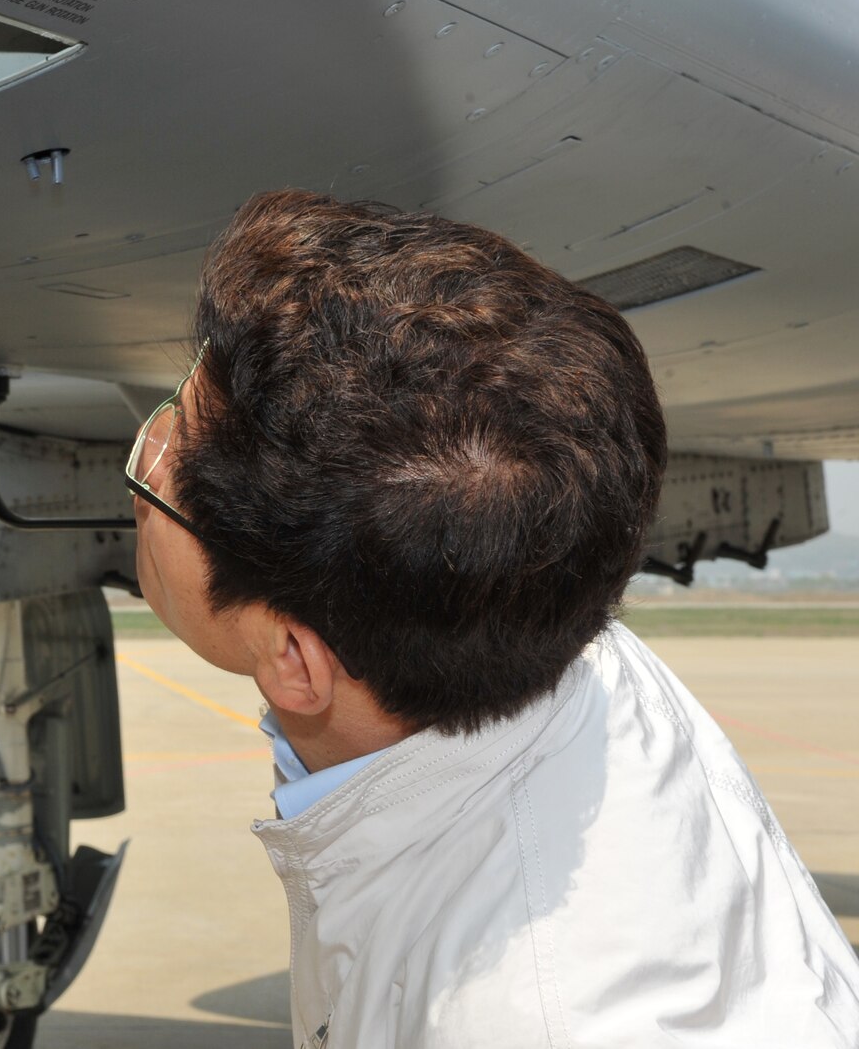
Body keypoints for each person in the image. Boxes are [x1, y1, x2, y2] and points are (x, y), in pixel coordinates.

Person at [126, 190, 859, 1046]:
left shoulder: (529, 1017)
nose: (145, 455)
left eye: (159, 471)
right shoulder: (530, 594)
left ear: (296, 657)